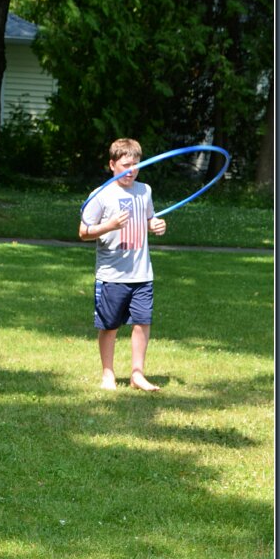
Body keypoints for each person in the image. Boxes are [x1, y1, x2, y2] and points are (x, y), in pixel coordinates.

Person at [79, 137, 167, 391]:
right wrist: (110, 225)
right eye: (125, 165)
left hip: (142, 272)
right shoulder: (101, 194)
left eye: (136, 165)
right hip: (112, 274)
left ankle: (137, 374)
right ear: (112, 164)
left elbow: (148, 218)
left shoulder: (145, 190)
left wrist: (156, 225)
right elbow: (84, 232)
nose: (131, 170)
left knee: (142, 323)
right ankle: (108, 374)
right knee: (109, 325)